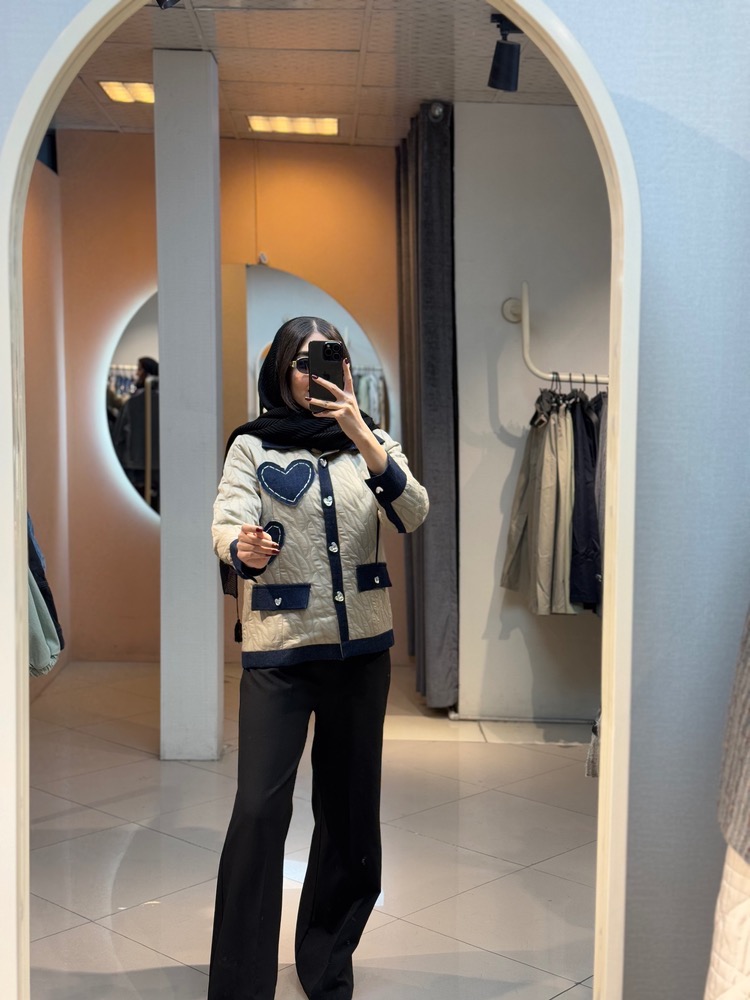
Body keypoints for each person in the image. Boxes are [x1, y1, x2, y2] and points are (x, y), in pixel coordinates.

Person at [209, 317, 429, 1000]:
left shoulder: (372, 443)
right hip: (279, 652)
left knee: (351, 814)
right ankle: (240, 985)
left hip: (360, 657)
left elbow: (415, 511)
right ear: (280, 370)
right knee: (258, 811)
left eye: (331, 359)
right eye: (303, 362)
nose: (316, 373)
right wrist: (240, 547)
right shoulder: (252, 445)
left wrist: (363, 436)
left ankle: (327, 963)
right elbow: (227, 518)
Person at [112, 356, 160, 510]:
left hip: (135, 466)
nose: (136, 373)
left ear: (147, 372)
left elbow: (119, 437)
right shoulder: (166, 402)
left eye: (139, 369)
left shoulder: (132, 403)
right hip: (159, 466)